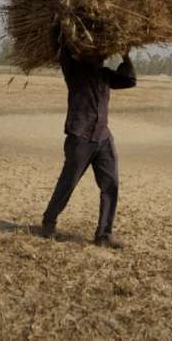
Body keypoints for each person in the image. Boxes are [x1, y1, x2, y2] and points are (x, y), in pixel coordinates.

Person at [41, 45, 136, 248]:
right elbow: (62, 51)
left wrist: (126, 55)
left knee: (111, 185)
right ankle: (49, 221)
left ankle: (104, 235)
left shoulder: (105, 75)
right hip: (80, 136)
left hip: (103, 137)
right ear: (86, 53)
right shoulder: (74, 71)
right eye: (97, 52)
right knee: (68, 183)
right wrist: (65, 27)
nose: (101, 56)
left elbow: (130, 80)